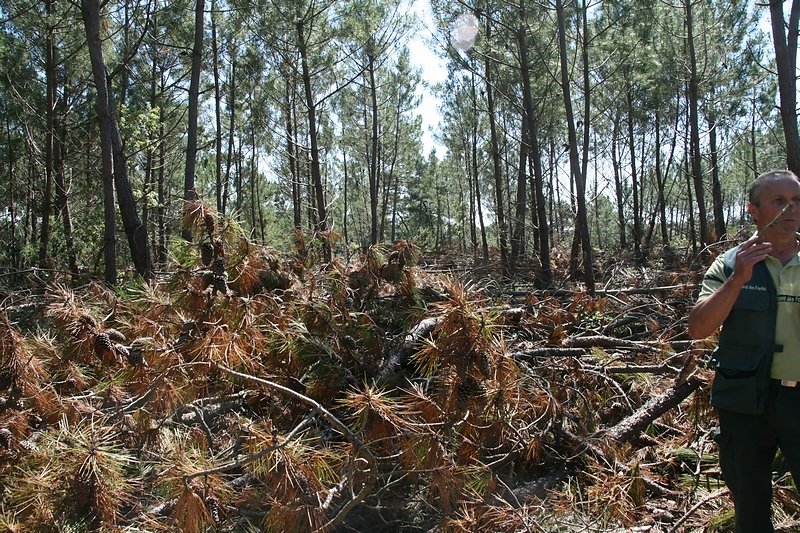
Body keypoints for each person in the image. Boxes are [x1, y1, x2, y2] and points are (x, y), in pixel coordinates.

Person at [688, 169, 800, 532]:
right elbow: (699, 328)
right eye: (779, 201)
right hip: (744, 404)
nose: (791, 209)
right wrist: (738, 280)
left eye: (796, 200)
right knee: (751, 516)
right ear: (754, 210)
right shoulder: (731, 263)